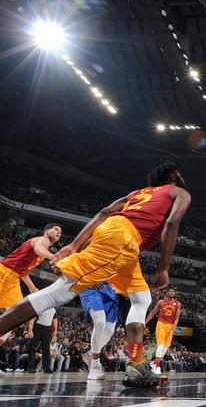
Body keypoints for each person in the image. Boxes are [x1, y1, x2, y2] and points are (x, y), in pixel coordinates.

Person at [0, 162, 191, 387]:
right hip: (124, 239)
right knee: (58, 293)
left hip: (122, 241)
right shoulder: (178, 192)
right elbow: (172, 223)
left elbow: (104, 212)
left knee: (142, 298)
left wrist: (74, 245)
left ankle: (136, 365)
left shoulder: (137, 193)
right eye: (178, 176)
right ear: (171, 177)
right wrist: (164, 268)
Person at [0, 223, 62, 344]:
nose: (59, 232)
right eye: (55, 229)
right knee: (16, 314)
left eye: (60, 232)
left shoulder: (44, 248)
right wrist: (53, 257)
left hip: (13, 278)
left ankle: (1, 339)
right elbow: (38, 249)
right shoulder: (42, 240)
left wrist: (32, 287)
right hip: (4, 272)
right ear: (46, 232)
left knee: (17, 314)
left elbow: (23, 271)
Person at [80, 281, 118, 380]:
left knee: (109, 330)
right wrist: (89, 279)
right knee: (100, 322)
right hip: (90, 286)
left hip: (109, 289)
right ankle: (95, 365)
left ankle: (90, 354)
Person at [145, 288, 181, 376]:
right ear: (167, 293)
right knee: (160, 346)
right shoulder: (161, 302)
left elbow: (176, 318)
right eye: (170, 291)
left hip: (170, 326)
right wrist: (145, 323)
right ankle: (157, 366)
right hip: (161, 324)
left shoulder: (178, 304)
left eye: (173, 291)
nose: (171, 292)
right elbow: (153, 313)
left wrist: (173, 329)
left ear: (174, 293)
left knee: (165, 349)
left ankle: (154, 362)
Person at [26, 307, 57, 373]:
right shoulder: (41, 306)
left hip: (48, 328)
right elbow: (32, 319)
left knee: (46, 349)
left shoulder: (53, 309)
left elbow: (55, 319)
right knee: (33, 347)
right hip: (38, 326)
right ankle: (31, 367)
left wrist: (55, 329)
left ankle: (47, 368)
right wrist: (30, 330)